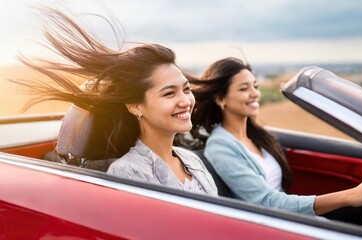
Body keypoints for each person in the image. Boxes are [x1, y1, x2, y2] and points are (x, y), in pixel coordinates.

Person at [14, 7, 217, 196]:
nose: (185, 101)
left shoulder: (190, 159)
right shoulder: (128, 173)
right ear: (135, 106)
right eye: (169, 94)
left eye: (186, 89)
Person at [190, 57, 362, 215]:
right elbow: (267, 203)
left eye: (255, 86)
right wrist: (350, 196)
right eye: (244, 88)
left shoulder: (258, 135)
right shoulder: (220, 146)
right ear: (220, 99)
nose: (255, 94)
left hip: (296, 218)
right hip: (276, 225)